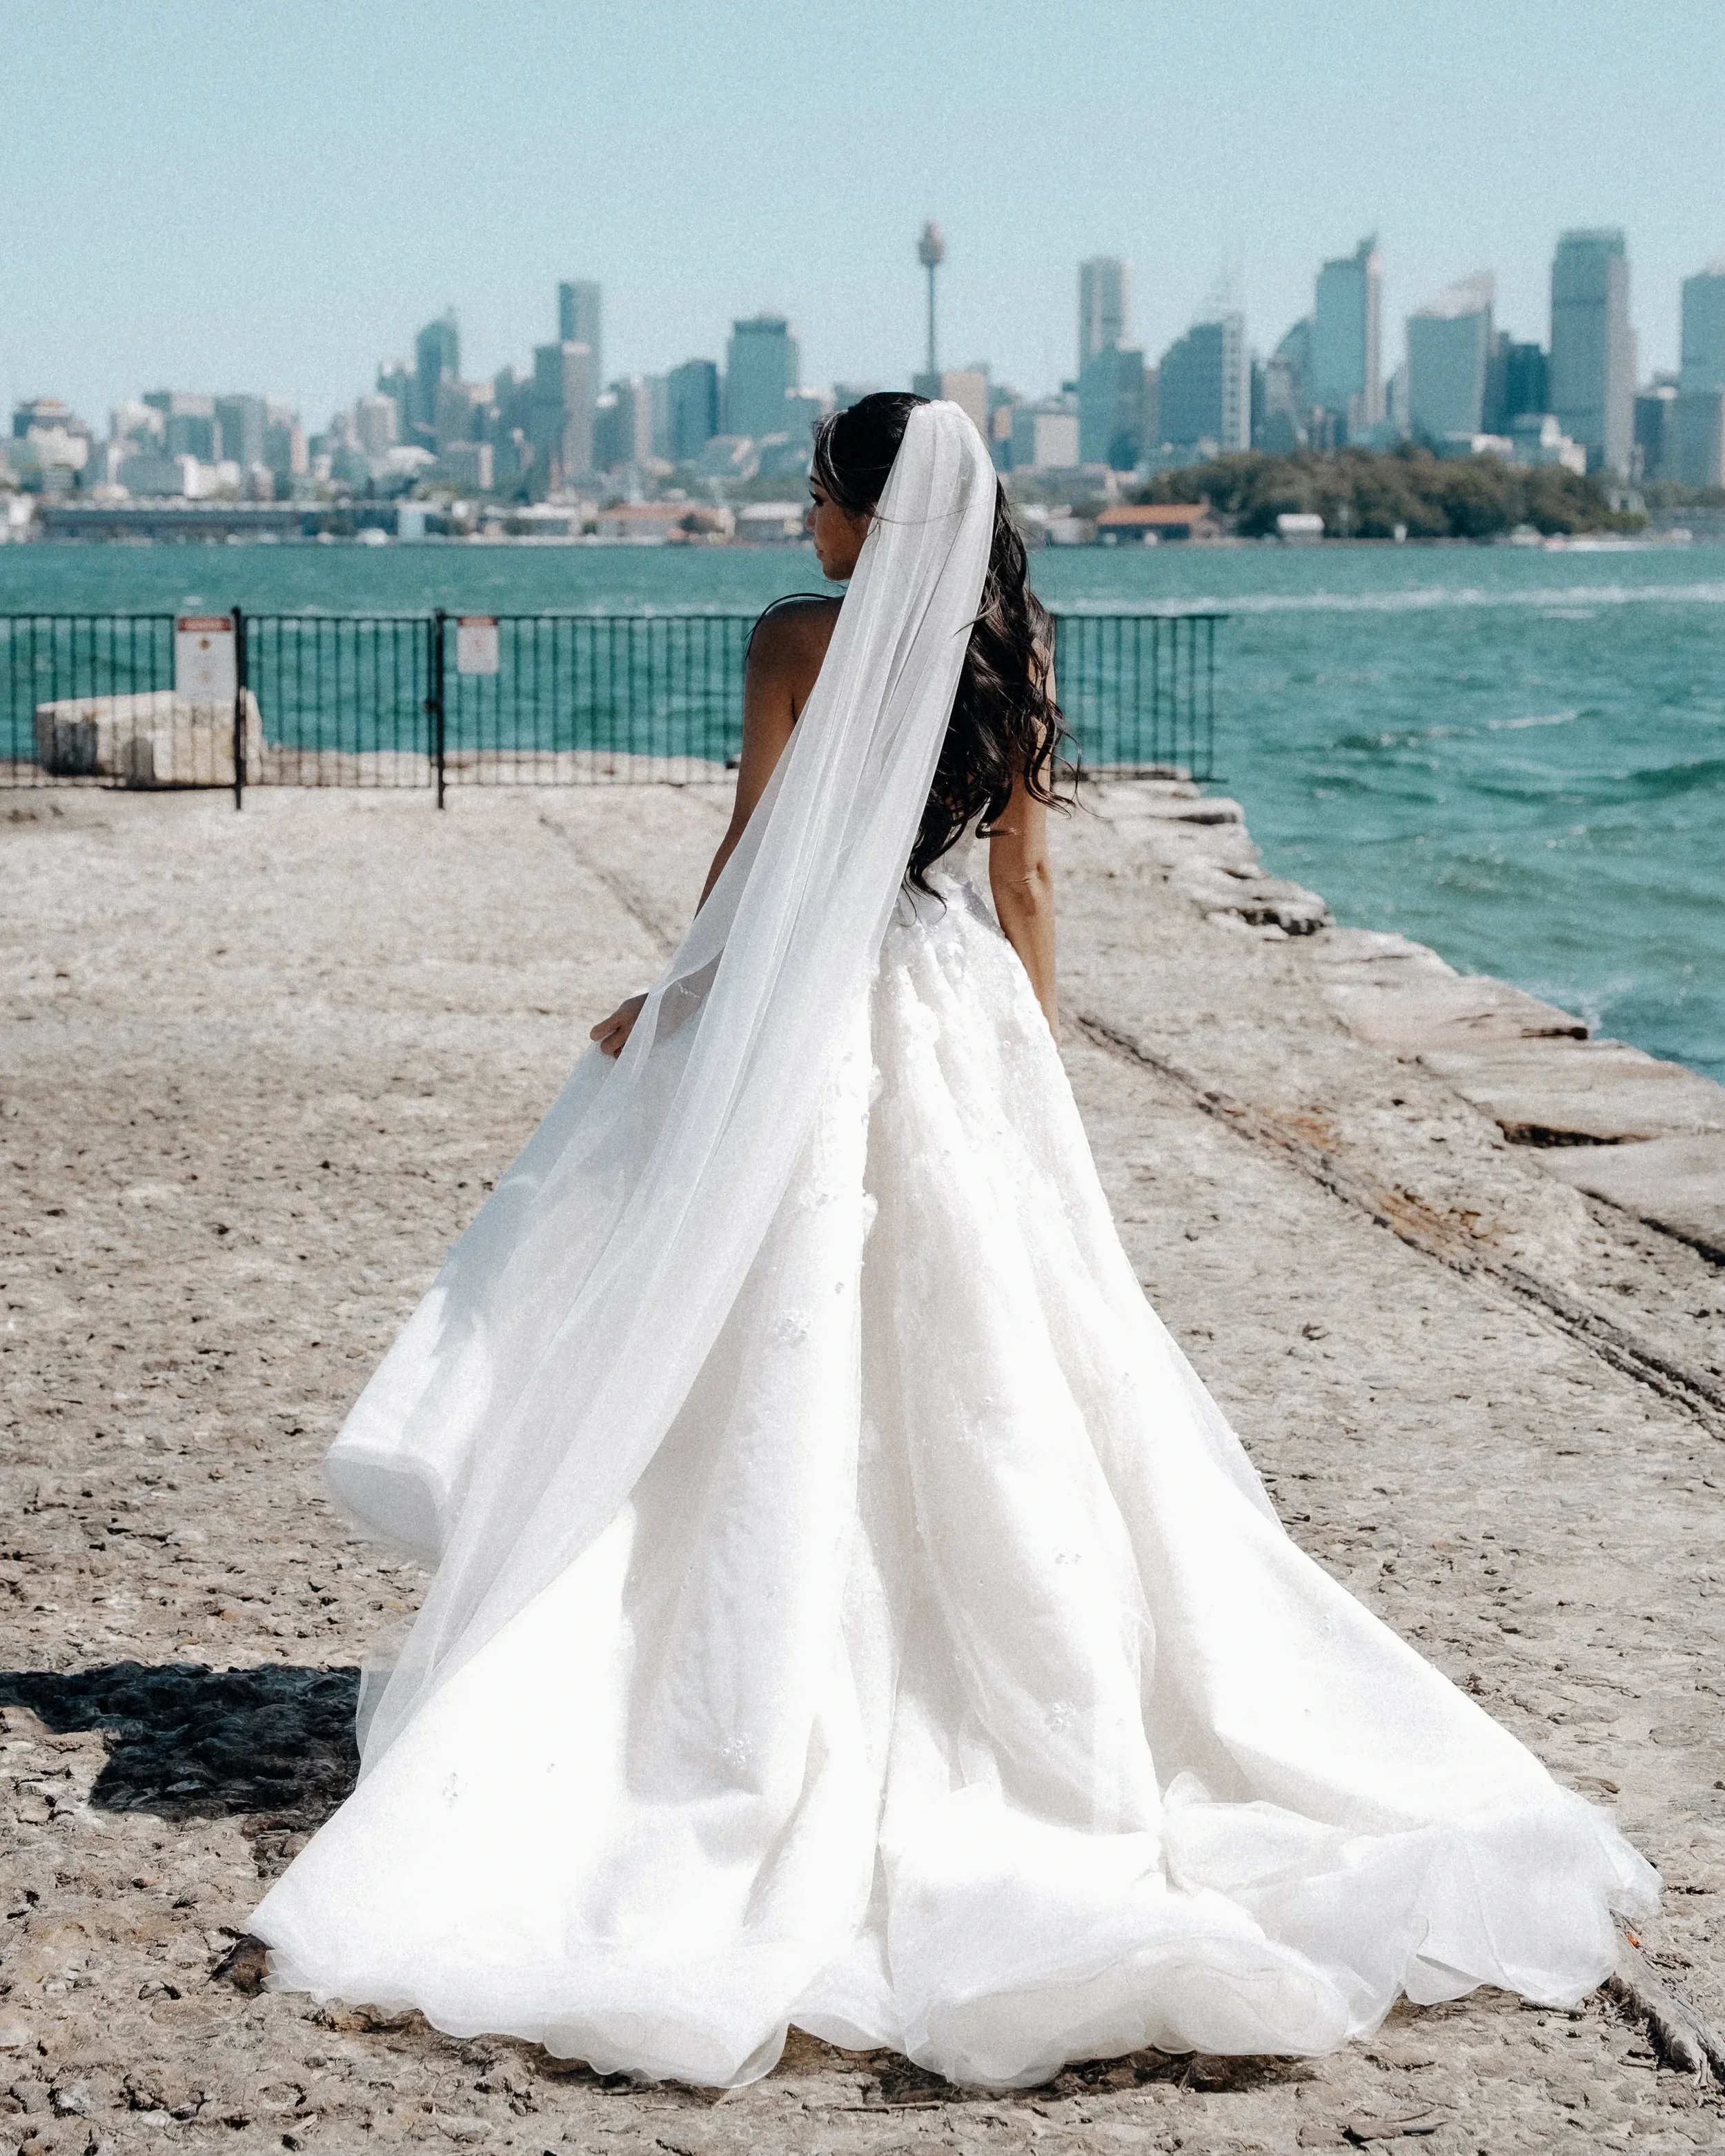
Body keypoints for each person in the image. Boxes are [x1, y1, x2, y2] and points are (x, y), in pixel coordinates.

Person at [251, 397, 1655, 2093]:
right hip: (955, 1005)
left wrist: (677, 996)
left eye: (816, 499)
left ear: (867, 512)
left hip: (821, 1003)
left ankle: (738, 1673)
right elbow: (1028, 887)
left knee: (760, 1323)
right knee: (1000, 1367)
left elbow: (761, 854)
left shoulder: (797, 639)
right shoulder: (1013, 651)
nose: (800, 526)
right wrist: (1032, 1081)